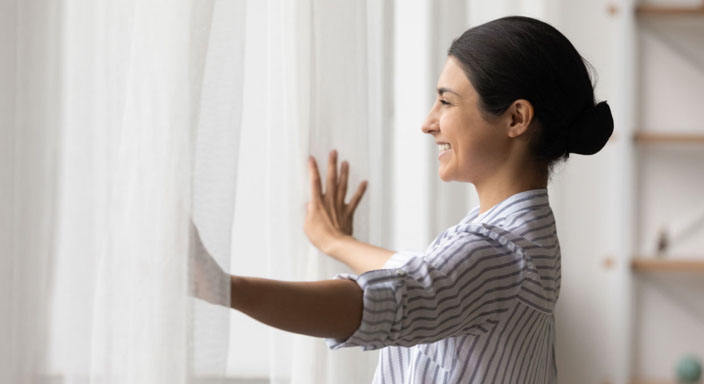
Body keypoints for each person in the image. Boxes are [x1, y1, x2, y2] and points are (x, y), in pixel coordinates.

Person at [192, 15, 614, 383]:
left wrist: (225, 288)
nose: (427, 122)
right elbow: (426, 276)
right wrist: (336, 242)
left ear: (516, 118)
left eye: (446, 101)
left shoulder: (497, 255)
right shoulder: (519, 244)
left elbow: (387, 300)